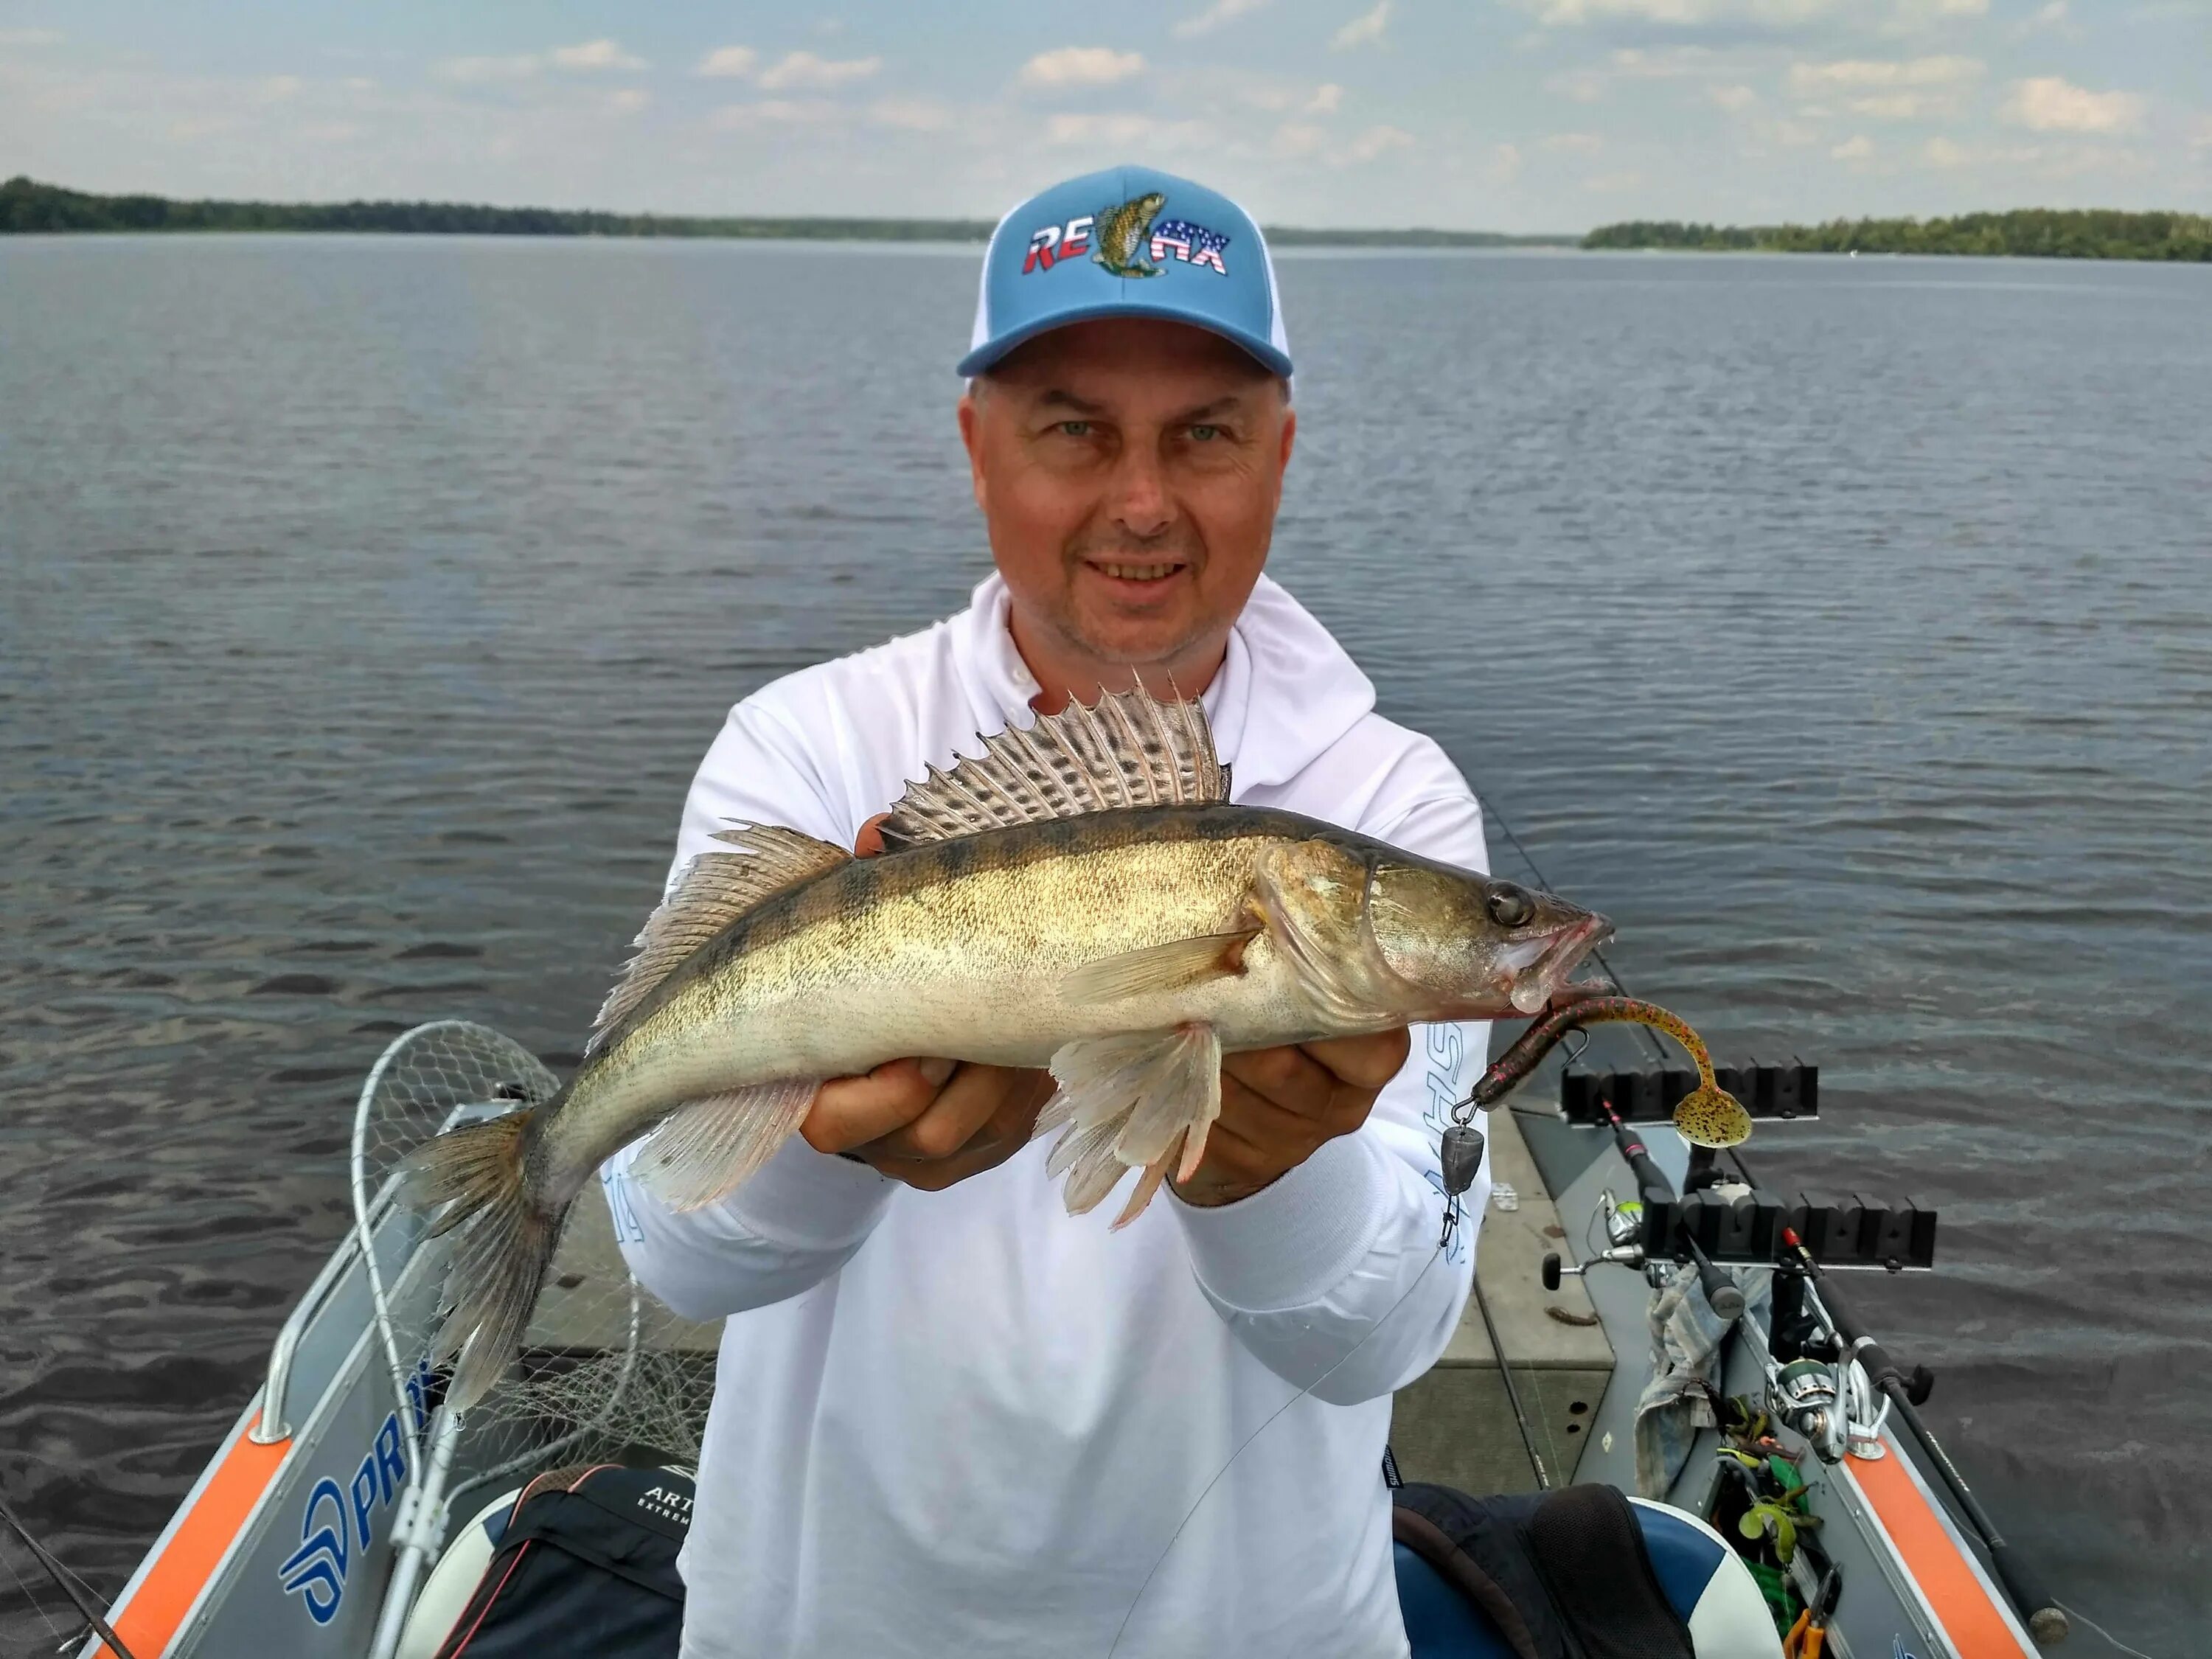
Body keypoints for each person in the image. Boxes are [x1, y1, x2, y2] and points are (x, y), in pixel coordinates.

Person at [605, 164, 1495, 1658]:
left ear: (1281, 450)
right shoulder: (805, 752)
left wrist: (1262, 1175)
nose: (1140, 502)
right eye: (1074, 430)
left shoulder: (1388, 806)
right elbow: (677, 1255)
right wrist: (827, 1152)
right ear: (977, 448)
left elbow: (1375, 1340)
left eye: (1203, 433)